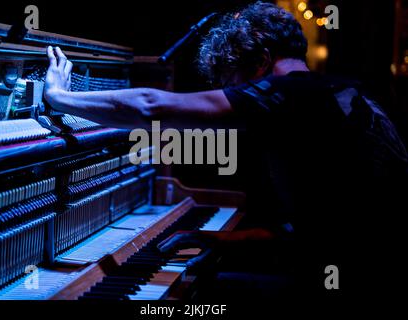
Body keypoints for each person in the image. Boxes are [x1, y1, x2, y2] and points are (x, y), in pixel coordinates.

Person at [44, 2, 407, 299]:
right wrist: (217, 238)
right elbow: (321, 225)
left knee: (200, 298)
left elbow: (152, 108)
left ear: (262, 62)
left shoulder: (285, 94)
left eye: (232, 82)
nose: (230, 95)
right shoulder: (339, 93)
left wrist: (61, 97)